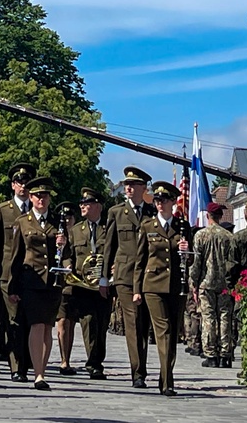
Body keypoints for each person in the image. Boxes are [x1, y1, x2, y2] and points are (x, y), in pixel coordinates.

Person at [5, 175, 69, 391]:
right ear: (31, 198)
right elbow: (15, 256)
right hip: (31, 281)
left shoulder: (58, 222)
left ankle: (41, 368)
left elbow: (66, 254)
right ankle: (38, 374)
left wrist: (64, 247)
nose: (42, 199)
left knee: (47, 327)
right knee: (36, 325)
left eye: (45, 196)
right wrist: (12, 287)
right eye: (37, 196)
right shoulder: (22, 222)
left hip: (52, 281)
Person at [133, 180, 191, 397]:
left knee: (173, 332)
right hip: (153, 286)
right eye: (157, 200)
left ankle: (165, 375)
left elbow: (190, 262)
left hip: (176, 286)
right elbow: (140, 260)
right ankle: (168, 382)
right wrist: (137, 288)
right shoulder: (147, 226)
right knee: (163, 330)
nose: (159, 203)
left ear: (173, 202)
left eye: (163, 200)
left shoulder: (182, 227)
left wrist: (186, 252)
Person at [102, 166, 156, 388]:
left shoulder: (152, 213)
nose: (128, 188)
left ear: (143, 188)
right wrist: (104, 278)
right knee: (133, 322)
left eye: (133, 185)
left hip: (148, 275)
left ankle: (141, 365)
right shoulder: (116, 212)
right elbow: (109, 246)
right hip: (125, 275)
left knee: (145, 324)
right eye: (126, 184)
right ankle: (138, 371)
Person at [0, 162, 35, 382]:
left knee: (30, 321)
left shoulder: (38, 211)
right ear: (13, 185)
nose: (23, 186)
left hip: (34, 276)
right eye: (19, 182)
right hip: (8, 275)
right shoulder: (3, 210)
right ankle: (16, 366)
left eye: (27, 182)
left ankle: (29, 363)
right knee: (14, 322)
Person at [66, 187, 111, 379]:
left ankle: (97, 359)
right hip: (83, 286)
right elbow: (67, 254)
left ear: (98, 206)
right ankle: (93, 363)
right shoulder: (76, 231)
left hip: (103, 284)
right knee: (88, 322)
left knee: (102, 324)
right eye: (82, 204)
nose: (82, 206)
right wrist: (68, 268)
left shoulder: (108, 228)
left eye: (87, 203)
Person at [190, 201, 239, 368]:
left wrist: (193, 283)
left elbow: (197, 262)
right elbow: (233, 262)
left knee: (209, 318)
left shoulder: (201, 235)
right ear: (220, 216)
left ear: (207, 216)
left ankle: (211, 354)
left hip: (206, 282)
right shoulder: (229, 237)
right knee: (225, 317)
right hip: (224, 283)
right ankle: (225, 353)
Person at [54, 201, 79, 375]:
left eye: (70, 218)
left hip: (76, 284)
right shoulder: (56, 234)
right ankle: (63, 360)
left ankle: (66, 359)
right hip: (60, 283)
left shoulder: (79, 234)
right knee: (62, 321)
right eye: (64, 219)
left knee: (70, 323)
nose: (67, 222)